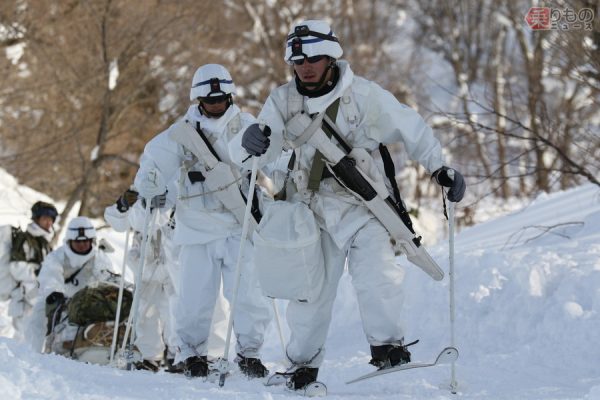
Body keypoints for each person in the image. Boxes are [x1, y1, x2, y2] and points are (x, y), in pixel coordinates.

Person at [236, 19, 467, 390]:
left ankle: (388, 349)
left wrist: (440, 167)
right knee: (309, 292)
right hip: (310, 208)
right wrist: (248, 143)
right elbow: (261, 149)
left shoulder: (364, 95)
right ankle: (302, 367)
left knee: (379, 278)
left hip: (365, 204)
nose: (305, 67)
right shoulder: (281, 102)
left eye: (313, 58)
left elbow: (412, 128)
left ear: (331, 58)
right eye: (298, 61)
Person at [133, 64, 272, 378]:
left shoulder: (247, 124)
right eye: (210, 100)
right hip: (196, 226)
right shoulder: (181, 132)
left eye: (221, 98)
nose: (216, 104)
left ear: (229, 95)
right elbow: (154, 162)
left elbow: (275, 157)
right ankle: (192, 354)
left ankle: (250, 354)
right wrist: (150, 186)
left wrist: (270, 157)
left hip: (240, 223)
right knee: (195, 297)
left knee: (249, 294)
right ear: (198, 99)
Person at [36, 216, 123, 362]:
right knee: (37, 317)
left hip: (90, 305)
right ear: (69, 241)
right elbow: (50, 278)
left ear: (92, 241)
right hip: (60, 304)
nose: (82, 245)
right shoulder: (57, 257)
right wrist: (56, 293)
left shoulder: (99, 258)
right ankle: (36, 357)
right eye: (78, 241)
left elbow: (106, 281)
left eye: (86, 241)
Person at [0, 201, 57, 338]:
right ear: (36, 219)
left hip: (38, 296)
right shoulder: (25, 238)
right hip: (24, 296)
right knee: (22, 337)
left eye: (51, 219)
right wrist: (38, 272)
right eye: (45, 219)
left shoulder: (45, 242)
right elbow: (16, 267)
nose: (49, 223)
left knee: (34, 337)